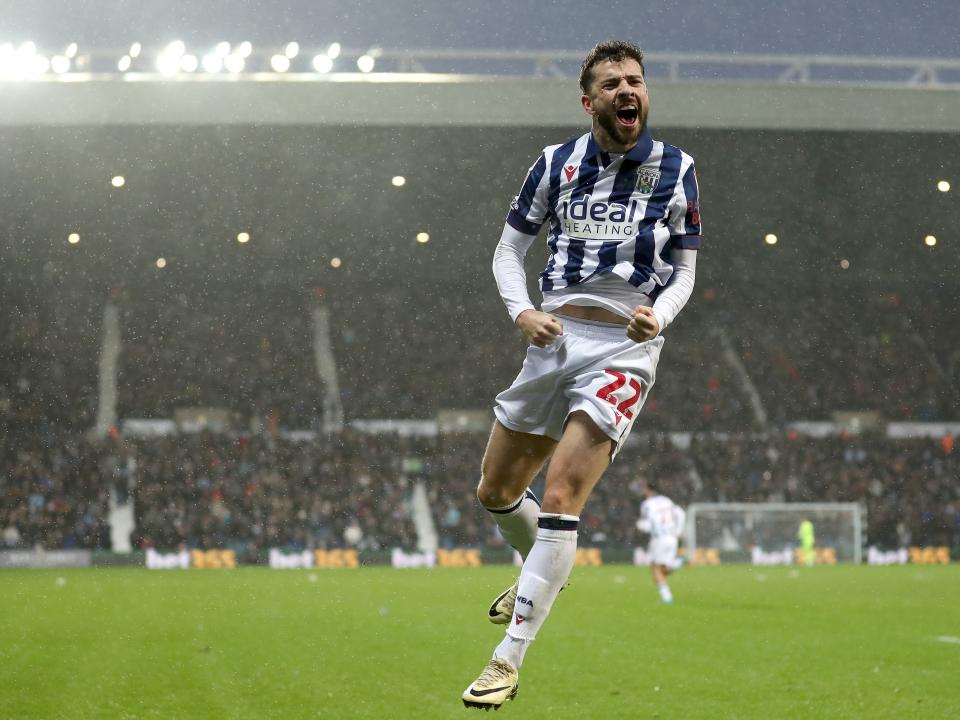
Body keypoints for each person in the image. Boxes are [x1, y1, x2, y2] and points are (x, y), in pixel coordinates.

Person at [461, 40, 702, 710]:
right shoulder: (554, 163)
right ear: (589, 100)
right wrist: (522, 312)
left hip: (623, 348)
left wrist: (659, 316)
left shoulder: (677, 168)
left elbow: (685, 272)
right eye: (613, 82)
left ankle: (507, 660)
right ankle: (542, 570)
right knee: (495, 490)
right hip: (555, 338)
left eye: (637, 80)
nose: (629, 90)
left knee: (562, 495)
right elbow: (508, 250)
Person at [637, 482, 686, 604]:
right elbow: (681, 513)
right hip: (672, 538)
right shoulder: (667, 500)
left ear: (648, 490)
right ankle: (676, 563)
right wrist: (679, 530)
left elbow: (648, 524)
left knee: (655, 568)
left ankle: (667, 598)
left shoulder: (646, 504)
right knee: (663, 569)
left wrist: (640, 525)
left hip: (659, 538)